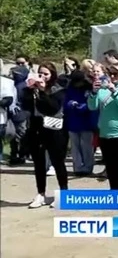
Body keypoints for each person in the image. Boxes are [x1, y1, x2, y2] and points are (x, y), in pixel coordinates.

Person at [22, 63, 68, 208]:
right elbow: (25, 105)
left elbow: (52, 108)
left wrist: (43, 90)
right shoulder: (33, 89)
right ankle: (40, 193)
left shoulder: (58, 89)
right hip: (36, 127)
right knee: (39, 163)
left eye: (46, 74)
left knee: (57, 161)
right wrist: (29, 90)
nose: (43, 77)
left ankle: (64, 193)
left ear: (52, 75)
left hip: (54, 128)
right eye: (40, 73)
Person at [88, 63, 118, 190]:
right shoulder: (103, 89)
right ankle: (114, 194)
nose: (112, 76)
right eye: (110, 73)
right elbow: (92, 106)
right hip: (105, 133)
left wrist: (114, 92)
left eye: (116, 73)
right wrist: (93, 92)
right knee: (110, 167)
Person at [63, 70, 98, 176]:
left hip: (86, 122)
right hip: (73, 121)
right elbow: (65, 102)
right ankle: (77, 167)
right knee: (75, 146)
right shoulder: (70, 88)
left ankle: (88, 167)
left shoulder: (89, 88)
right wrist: (70, 104)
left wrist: (85, 106)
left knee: (87, 146)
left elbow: (93, 102)